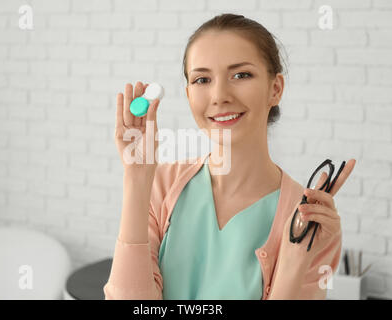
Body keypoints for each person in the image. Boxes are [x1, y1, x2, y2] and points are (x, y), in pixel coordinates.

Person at [104, 13, 356, 300]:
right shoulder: (160, 186)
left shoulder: (310, 220)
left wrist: (295, 258)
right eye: (202, 79)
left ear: (275, 89)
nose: (219, 95)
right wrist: (137, 178)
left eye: (241, 75)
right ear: (188, 95)